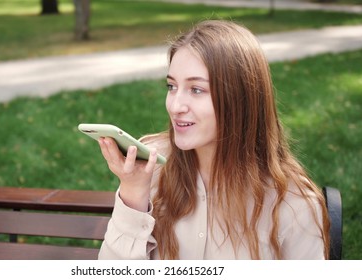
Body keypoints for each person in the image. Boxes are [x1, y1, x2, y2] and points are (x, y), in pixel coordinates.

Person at [97, 20, 330, 260]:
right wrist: (134, 193)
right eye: (172, 86)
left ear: (239, 98)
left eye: (196, 90)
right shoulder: (150, 168)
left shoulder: (292, 204)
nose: (175, 106)